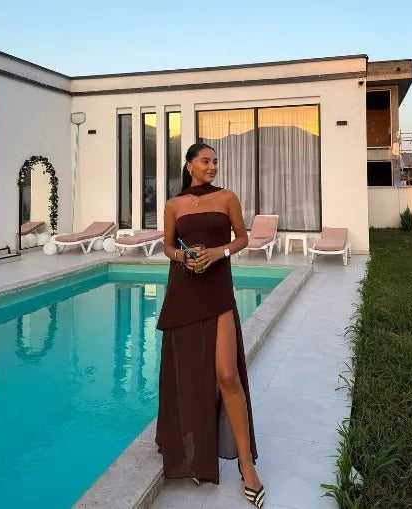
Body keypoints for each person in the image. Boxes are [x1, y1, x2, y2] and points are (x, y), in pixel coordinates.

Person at [155, 143, 265, 507]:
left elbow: (243, 238)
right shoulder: (173, 205)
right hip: (184, 290)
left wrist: (220, 252)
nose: (212, 166)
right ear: (189, 165)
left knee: (227, 374)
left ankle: (247, 465)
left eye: (215, 161)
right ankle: (196, 454)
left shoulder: (227, 198)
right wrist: (183, 256)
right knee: (189, 375)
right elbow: (167, 247)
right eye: (205, 161)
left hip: (217, 289)